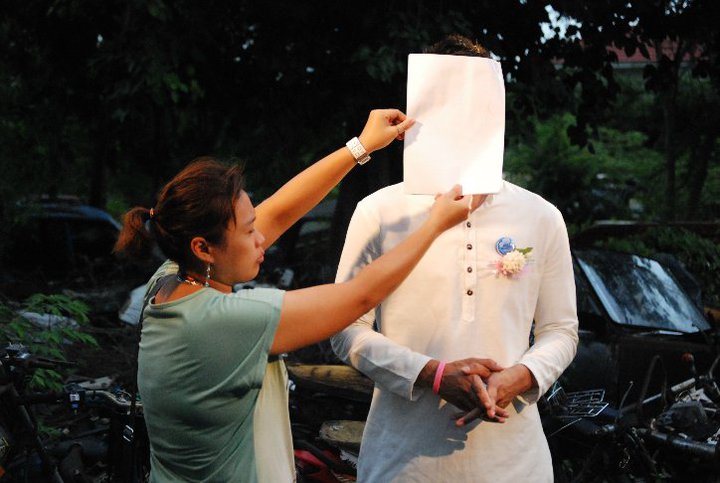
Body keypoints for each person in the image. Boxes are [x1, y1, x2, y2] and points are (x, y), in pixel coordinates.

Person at [114, 108, 476, 483]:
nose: (262, 238)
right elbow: (359, 297)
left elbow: (279, 211)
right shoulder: (222, 321)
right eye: (249, 232)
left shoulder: (168, 280)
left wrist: (361, 146)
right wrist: (434, 225)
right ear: (203, 248)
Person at [330, 36, 579, 482]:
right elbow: (345, 329)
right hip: (402, 465)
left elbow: (561, 330)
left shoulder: (540, 216)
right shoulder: (379, 212)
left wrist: (522, 375)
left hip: (516, 465)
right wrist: (430, 373)